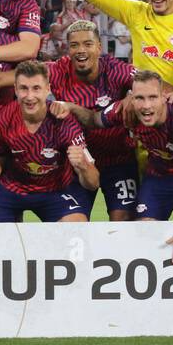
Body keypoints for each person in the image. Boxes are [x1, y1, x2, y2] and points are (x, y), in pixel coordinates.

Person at [76, 70, 173, 261]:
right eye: (140, 98)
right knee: (144, 232)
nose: (146, 106)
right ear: (131, 99)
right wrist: (68, 107)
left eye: (152, 97)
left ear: (164, 97)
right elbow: (94, 120)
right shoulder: (125, 111)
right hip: (160, 177)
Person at [0, 60, 99, 222]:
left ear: (47, 89)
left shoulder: (65, 122)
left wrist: (83, 165)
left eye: (36, 88)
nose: (30, 97)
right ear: (15, 89)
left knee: (76, 227)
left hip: (55, 189)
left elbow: (93, 183)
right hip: (13, 187)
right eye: (24, 88)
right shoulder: (4, 117)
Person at [47, 20, 136, 220]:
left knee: (124, 223)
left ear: (99, 47)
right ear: (67, 49)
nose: (81, 50)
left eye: (87, 44)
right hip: (79, 161)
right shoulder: (56, 70)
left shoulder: (116, 69)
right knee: (73, 224)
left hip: (119, 159)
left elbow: (153, 85)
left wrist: (135, 94)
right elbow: (19, 77)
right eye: (74, 45)